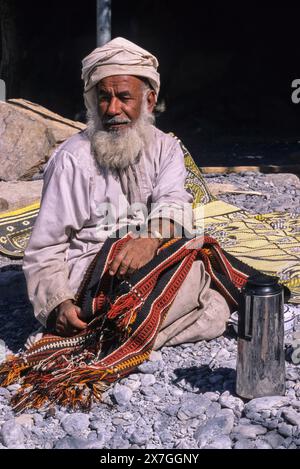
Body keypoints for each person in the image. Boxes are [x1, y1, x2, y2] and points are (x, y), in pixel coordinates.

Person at [23, 37, 230, 350]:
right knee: (206, 301)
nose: (112, 109)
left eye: (123, 97)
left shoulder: (165, 148)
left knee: (205, 271)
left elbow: (174, 202)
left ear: (148, 101)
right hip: (91, 271)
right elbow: (45, 246)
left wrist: (149, 239)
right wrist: (57, 305)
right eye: (103, 98)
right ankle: (120, 332)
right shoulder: (71, 160)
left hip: (148, 257)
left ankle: (116, 336)